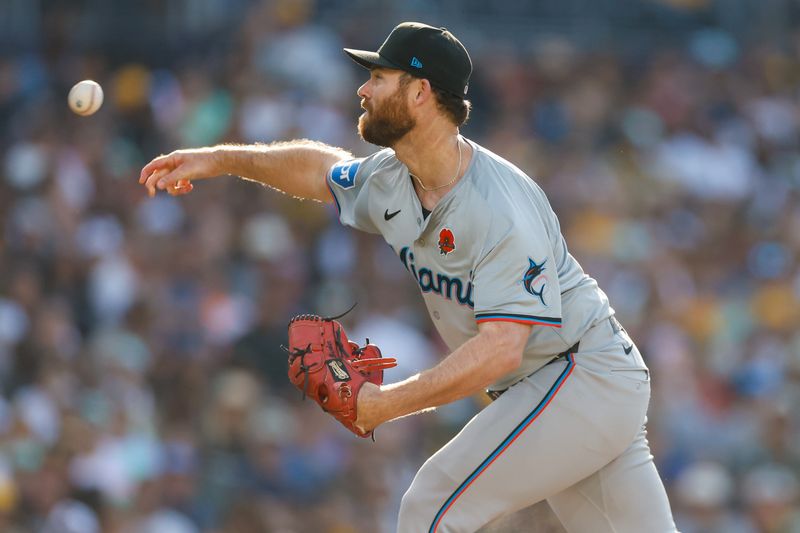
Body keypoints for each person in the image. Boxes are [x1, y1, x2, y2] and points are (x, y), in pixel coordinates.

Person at [140, 21, 677, 533]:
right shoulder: (394, 179)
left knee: (430, 508)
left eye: (378, 77)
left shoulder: (497, 206)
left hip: (578, 373)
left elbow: (501, 351)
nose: (363, 90)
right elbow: (318, 169)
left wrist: (384, 403)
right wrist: (219, 158)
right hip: (569, 386)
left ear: (420, 92)